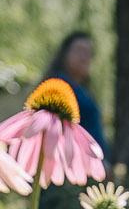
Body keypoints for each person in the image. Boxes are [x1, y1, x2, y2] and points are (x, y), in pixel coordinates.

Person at [42, 30, 107, 159]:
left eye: (89, 53)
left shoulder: (85, 90)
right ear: (65, 54)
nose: (84, 57)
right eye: (79, 50)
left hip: (89, 159)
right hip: (68, 158)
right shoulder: (57, 85)